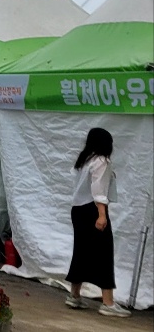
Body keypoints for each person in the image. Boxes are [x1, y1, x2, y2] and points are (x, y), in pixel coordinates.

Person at [66, 127, 129, 316]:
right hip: (93, 210)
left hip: (78, 210)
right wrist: (102, 215)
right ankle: (108, 303)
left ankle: (74, 295)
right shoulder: (101, 161)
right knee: (103, 253)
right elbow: (98, 189)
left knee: (81, 252)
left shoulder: (84, 160)